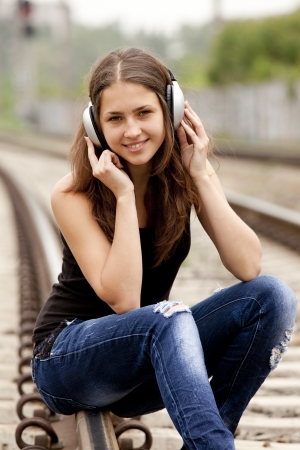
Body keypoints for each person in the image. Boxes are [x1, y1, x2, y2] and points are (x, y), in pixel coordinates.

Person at [31, 47, 296, 450]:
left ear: (170, 112)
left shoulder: (182, 179)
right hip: (69, 360)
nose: (132, 131)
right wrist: (122, 197)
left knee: (271, 297)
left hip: (145, 363)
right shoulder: (73, 193)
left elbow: (248, 266)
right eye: (115, 119)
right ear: (95, 126)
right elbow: (124, 300)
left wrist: (200, 174)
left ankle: (207, 440)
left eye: (143, 113)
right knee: (167, 317)